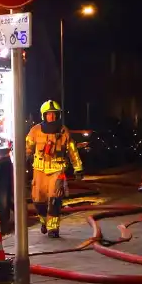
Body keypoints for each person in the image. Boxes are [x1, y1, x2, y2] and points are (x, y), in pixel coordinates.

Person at [25, 101, 84, 238]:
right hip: (39, 170)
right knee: (38, 200)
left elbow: (72, 151)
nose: (51, 117)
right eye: (49, 114)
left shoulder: (64, 132)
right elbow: (27, 146)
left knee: (54, 200)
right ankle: (44, 221)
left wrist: (78, 168)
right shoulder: (35, 131)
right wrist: (26, 157)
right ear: (44, 116)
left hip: (57, 170)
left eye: (54, 114)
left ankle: (53, 228)